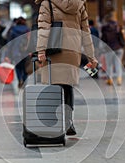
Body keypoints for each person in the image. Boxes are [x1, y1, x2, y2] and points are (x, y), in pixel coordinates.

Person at [36, 0, 98, 135]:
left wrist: (41, 50)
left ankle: (54, 123)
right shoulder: (79, 4)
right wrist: (91, 56)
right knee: (67, 86)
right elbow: (86, 32)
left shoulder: (47, 3)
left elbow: (43, 29)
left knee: (53, 85)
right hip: (72, 50)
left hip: (53, 51)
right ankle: (68, 122)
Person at [101, 11, 124, 86]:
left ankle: (110, 79)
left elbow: (103, 39)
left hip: (109, 48)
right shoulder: (118, 26)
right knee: (118, 64)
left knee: (109, 65)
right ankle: (119, 79)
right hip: (119, 48)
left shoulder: (105, 28)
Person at [8, 16, 30, 88]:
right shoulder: (28, 30)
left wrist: (9, 54)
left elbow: (10, 43)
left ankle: (19, 79)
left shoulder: (13, 30)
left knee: (18, 67)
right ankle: (24, 81)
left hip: (15, 51)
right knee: (25, 67)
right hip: (26, 51)